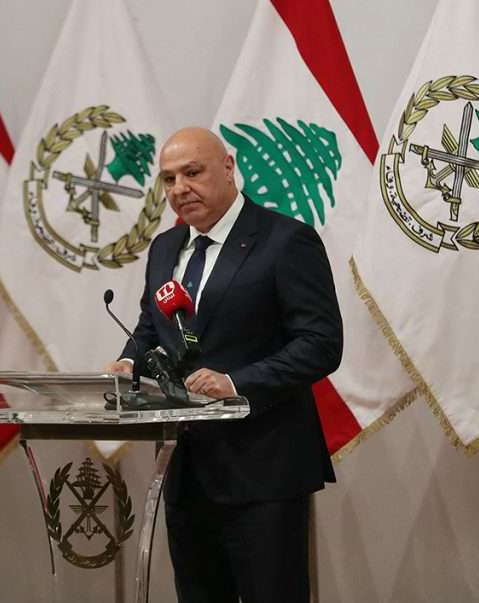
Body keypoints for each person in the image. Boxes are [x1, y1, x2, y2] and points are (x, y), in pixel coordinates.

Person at [107, 127, 342, 603]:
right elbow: (153, 327)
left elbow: (321, 344)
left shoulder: (285, 241)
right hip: (185, 469)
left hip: (264, 470)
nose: (179, 189)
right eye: (169, 179)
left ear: (229, 167)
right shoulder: (165, 249)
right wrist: (129, 362)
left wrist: (236, 382)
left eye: (192, 173)